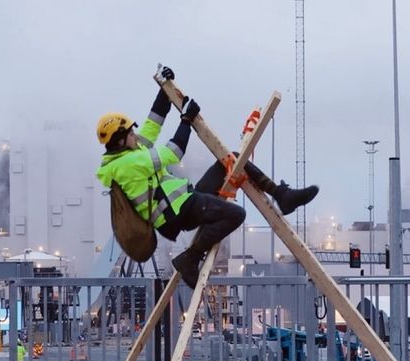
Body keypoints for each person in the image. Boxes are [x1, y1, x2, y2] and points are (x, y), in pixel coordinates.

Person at [95, 66, 319, 288]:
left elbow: (152, 125)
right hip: (176, 213)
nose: (136, 135)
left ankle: (281, 195)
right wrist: (186, 120)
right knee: (236, 215)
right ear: (120, 139)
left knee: (231, 159)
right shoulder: (128, 164)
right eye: (131, 133)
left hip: (183, 199)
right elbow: (174, 152)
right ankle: (190, 258)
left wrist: (166, 90)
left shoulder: (130, 152)